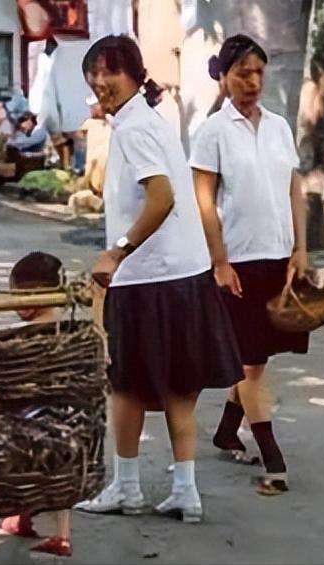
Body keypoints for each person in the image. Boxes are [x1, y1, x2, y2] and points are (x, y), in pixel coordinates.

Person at [74, 35, 242, 524]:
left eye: (110, 71)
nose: (100, 82)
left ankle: (126, 487)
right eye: (93, 73)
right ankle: (185, 491)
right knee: (179, 387)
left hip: (147, 277)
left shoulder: (133, 129)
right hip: (183, 273)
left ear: (135, 75)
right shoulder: (150, 121)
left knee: (125, 385)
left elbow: (162, 197)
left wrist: (117, 251)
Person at [190, 35, 307, 496]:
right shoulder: (213, 132)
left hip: (279, 257)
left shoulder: (278, 127)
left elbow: (293, 187)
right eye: (242, 73)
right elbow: (204, 200)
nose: (253, 81)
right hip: (239, 262)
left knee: (256, 358)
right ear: (223, 77)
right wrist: (219, 260)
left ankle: (226, 431)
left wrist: (300, 248)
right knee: (252, 366)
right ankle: (274, 461)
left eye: (259, 72)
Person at [0, 251, 74, 557]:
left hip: (30, 418)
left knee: (24, 464)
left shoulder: (26, 334)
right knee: (59, 468)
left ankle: (26, 517)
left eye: (18, 295)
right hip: (71, 418)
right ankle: (58, 532)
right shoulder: (70, 328)